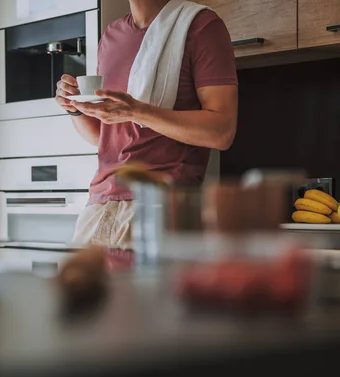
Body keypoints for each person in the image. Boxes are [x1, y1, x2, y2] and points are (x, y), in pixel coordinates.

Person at [55, 0, 238, 249]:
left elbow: (222, 131)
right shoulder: (111, 36)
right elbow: (106, 138)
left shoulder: (202, 26)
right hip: (100, 205)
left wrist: (137, 111)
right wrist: (74, 109)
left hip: (161, 207)